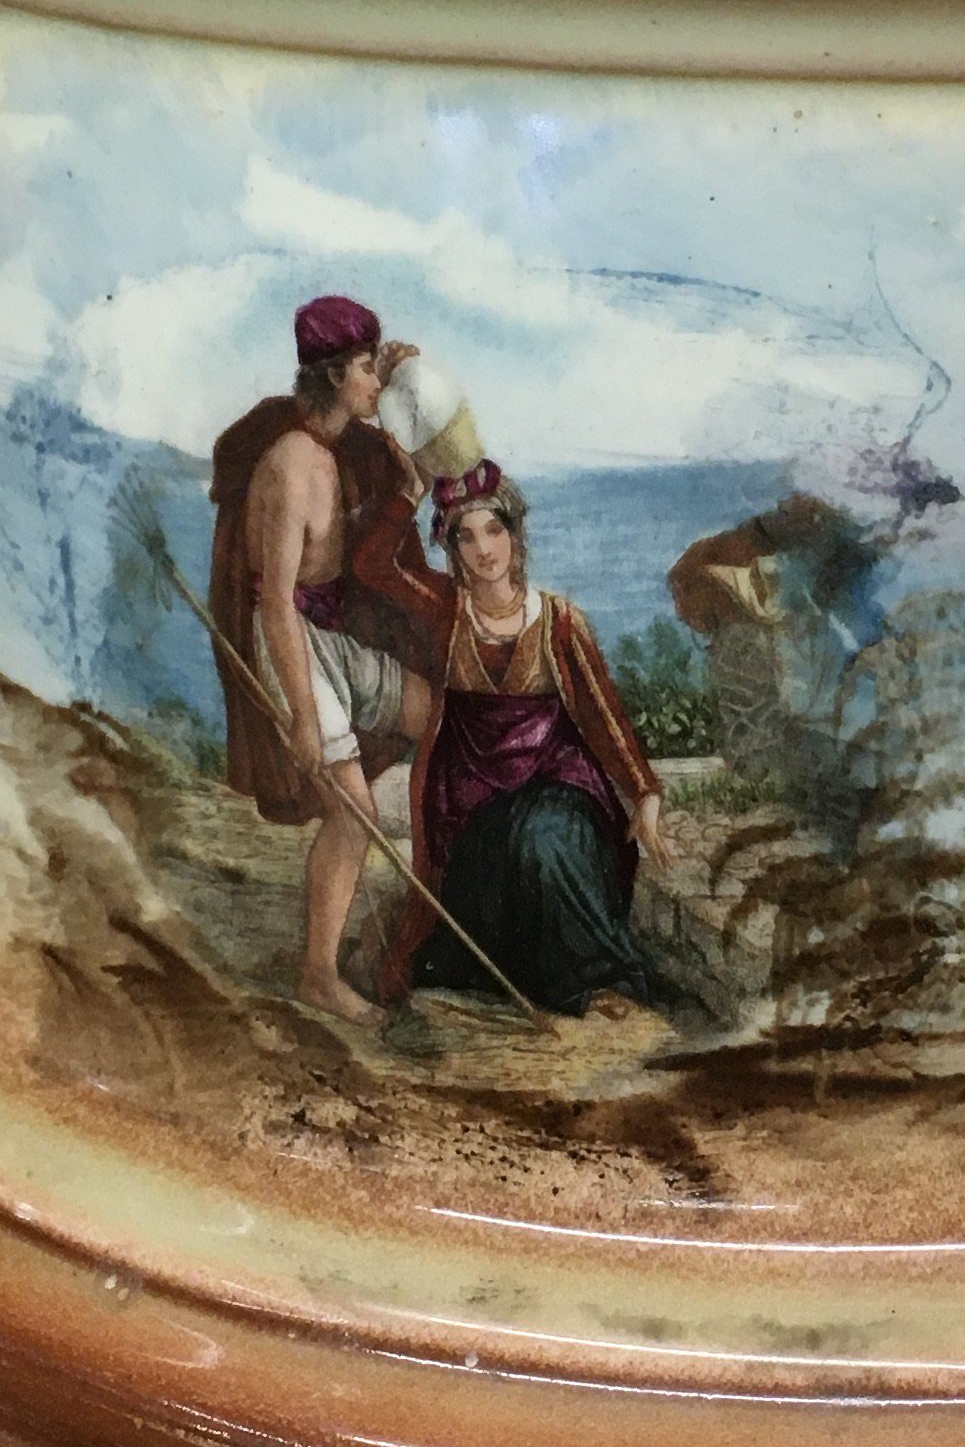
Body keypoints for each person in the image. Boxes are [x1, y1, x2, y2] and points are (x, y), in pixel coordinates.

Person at [207, 295, 447, 1028]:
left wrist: (401, 386)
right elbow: (276, 603)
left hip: (329, 638)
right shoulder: (290, 466)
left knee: (437, 716)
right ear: (337, 374)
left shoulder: (343, 448)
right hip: (290, 641)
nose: (376, 380)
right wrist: (305, 717)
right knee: (351, 814)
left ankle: (429, 916)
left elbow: (416, 464)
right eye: (369, 368)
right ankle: (318, 975)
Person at [385, 467, 683, 1017]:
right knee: (492, 871)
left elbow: (602, 714)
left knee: (543, 837)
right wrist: (409, 489)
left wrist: (645, 793)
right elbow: (375, 567)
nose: (484, 550)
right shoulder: (445, 613)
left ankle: (602, 980)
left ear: (515, 535)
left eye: (494, 531)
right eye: (466, 537)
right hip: (475, 809)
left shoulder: (558, 620)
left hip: (559, 790)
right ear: (452, 550)